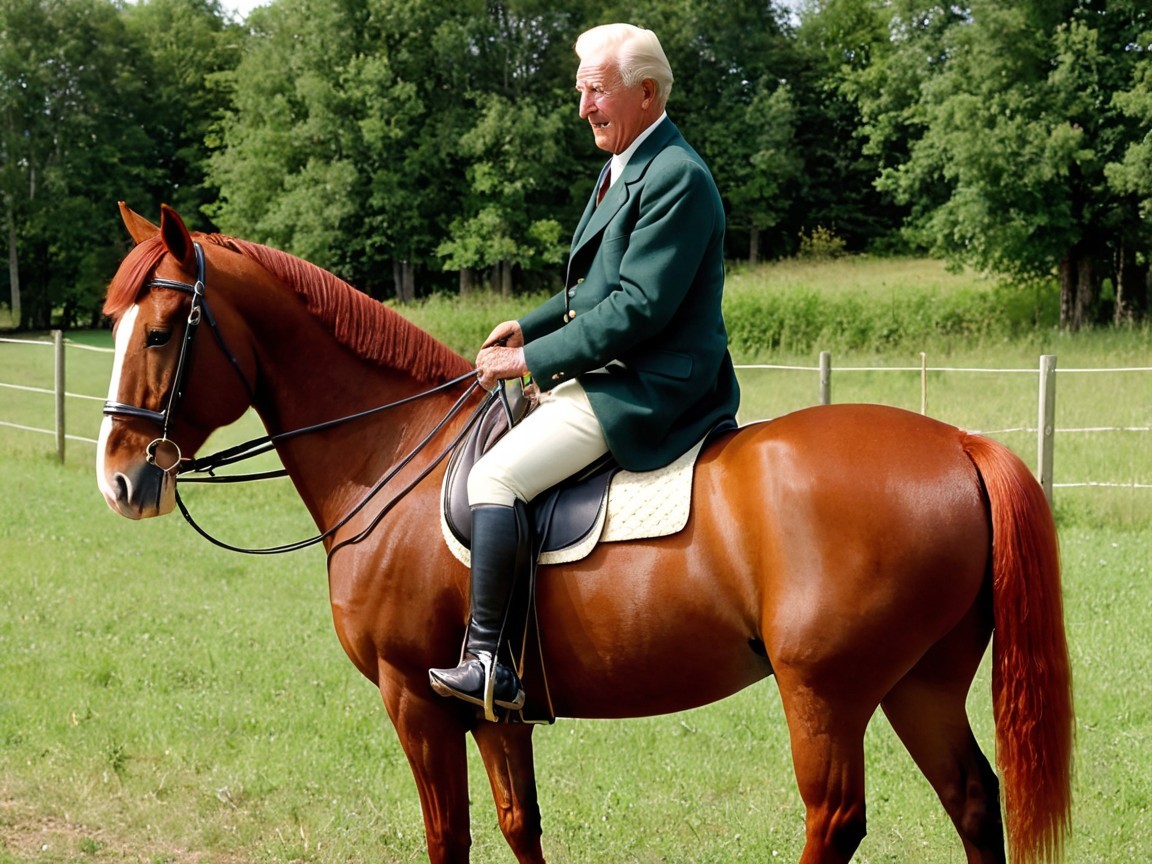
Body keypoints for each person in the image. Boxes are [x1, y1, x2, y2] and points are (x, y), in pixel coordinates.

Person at [428, 23, 741, 716]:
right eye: (581, 91)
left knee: (496, 475)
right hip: (617, 366)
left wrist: (526, 361)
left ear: (647, 93)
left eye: (596, 92)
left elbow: (635, 309)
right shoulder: (623, 164)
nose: (583, 108)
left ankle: (488, 664)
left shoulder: (677, 177)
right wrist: (530, 325)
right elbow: (590, 289)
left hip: (650, 383)